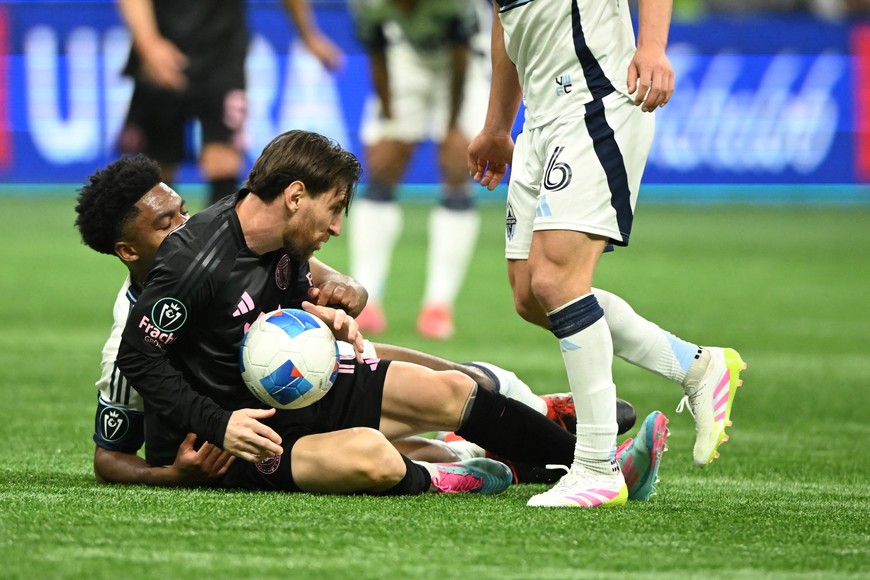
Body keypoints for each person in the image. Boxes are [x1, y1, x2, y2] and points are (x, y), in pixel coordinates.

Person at [110, 130, 664, 499]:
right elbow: (139, 355)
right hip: (238, 438)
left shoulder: (280, 238)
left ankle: (595, 466)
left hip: (292, 388)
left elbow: (262, 313)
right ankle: (459, 475)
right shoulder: (195, 262)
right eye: (334, 210)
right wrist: (219, 424)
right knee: (371, 457)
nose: (336, 229)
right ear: (296, 195)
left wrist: (323, 318)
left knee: (448, 391)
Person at [467, 0, 746, 507]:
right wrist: (496, 124)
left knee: (555, 279)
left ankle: (597, 466)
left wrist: (654, 46)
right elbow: (506, 20)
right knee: (531, 294)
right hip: (540, 121)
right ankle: (698, 368)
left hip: (594, 102)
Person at [346, 0, 492, 339]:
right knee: (382, 165)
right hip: (404, 59)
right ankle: (366, 297)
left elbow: (461, 53)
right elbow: (377, 50)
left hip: (464, 64)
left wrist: (454, 126)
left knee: (458, 167)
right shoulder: (368, 4)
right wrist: (388, 115)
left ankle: (438, 305)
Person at [116, 0, 342, 208]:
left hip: (223, 54)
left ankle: (217, 250)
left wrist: (309, 35)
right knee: (158, 170)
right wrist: (148, 42)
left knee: (224, 161)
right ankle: (162, 250)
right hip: (164, 50)